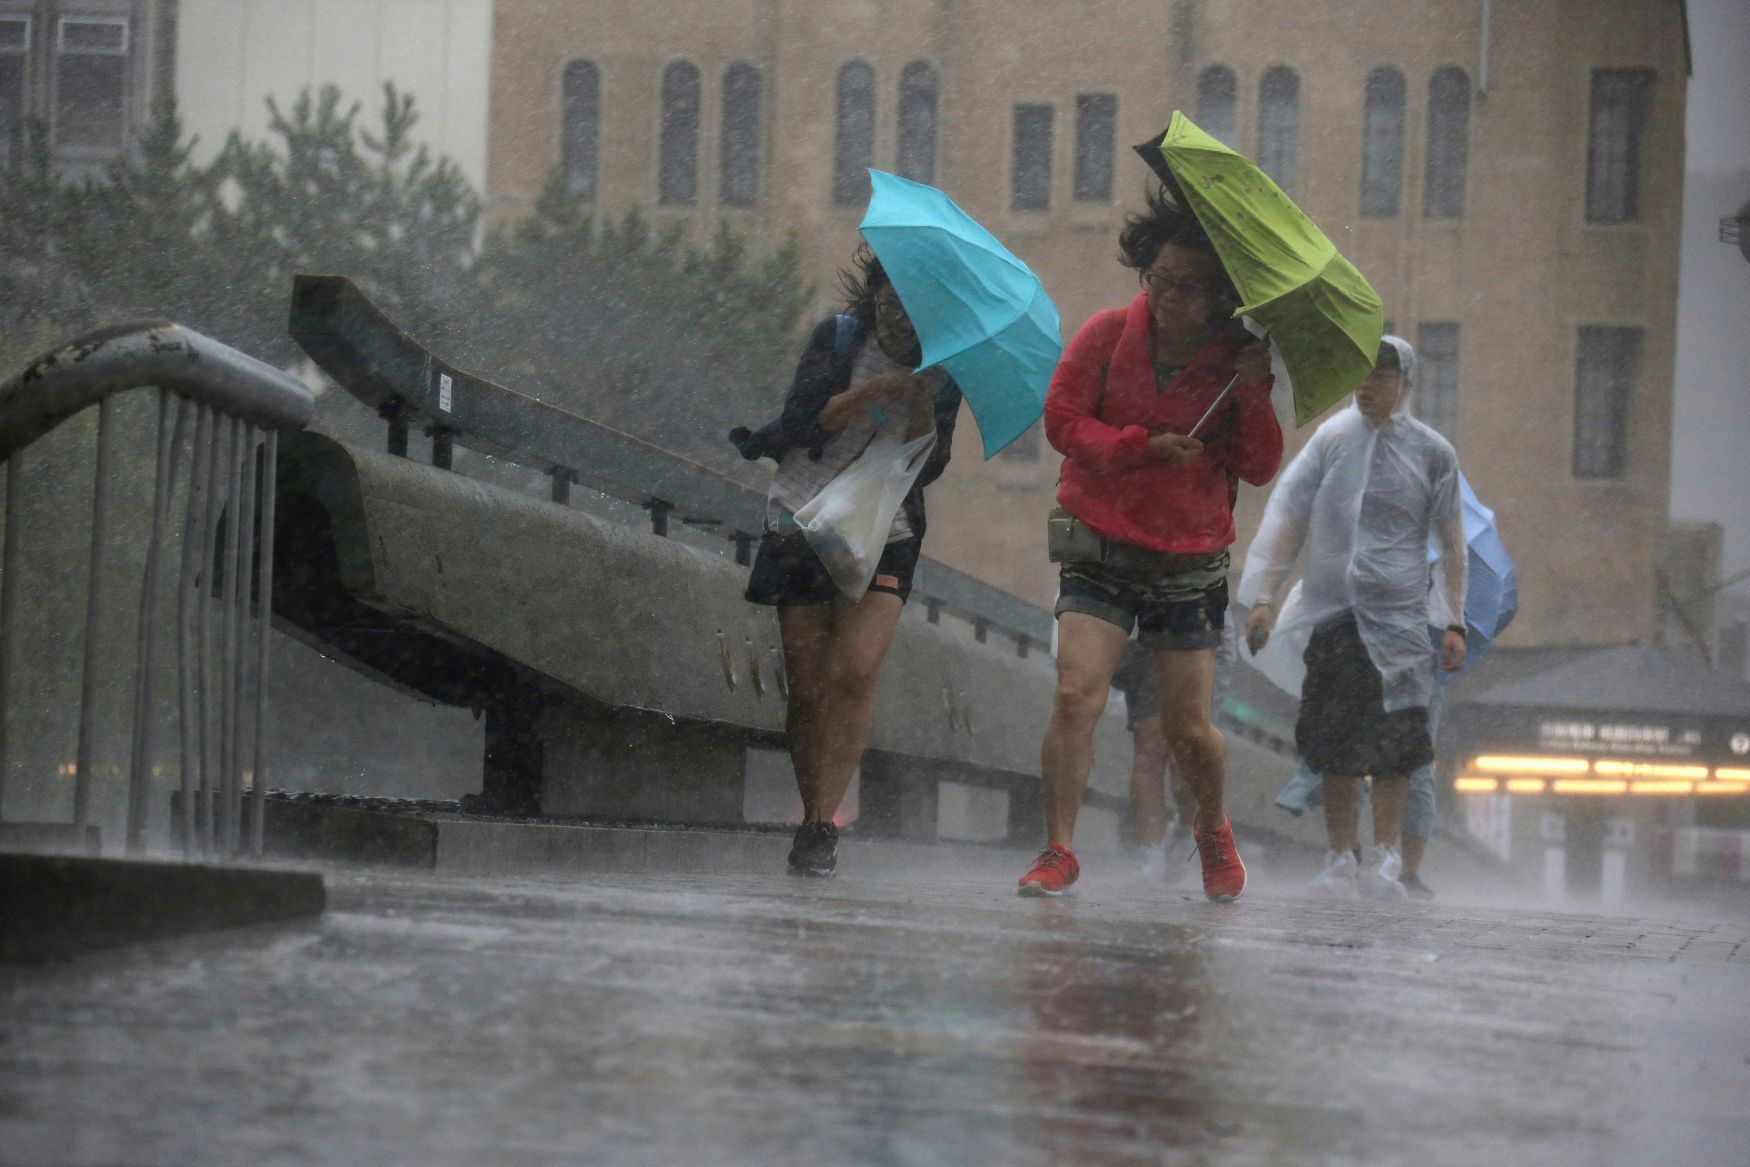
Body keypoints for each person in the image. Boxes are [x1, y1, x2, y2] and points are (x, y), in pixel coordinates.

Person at [1016, 187, 1280, 901]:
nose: (1167, 297)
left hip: (1187, 559)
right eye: (1159, 279)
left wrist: (1253, 394)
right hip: (1101, 544)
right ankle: (1059, 848)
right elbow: (1063, 419)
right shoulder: (1106, 335)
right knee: (1077, 693)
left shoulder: (1236, 365)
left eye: (1189, 288)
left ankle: (1212, 830)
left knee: (1188, 728)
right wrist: (1138, 446)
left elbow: (1258, 465)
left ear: (1220, 296)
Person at [731, 245, 962, 877]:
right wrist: (875, 391)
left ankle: (820, 826)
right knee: (807, 686)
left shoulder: (946, 372)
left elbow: (932, 465)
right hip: (801, 515)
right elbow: (803, 421)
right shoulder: (837, 339)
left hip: (886, 527)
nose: (900, 320)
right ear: (876, 291)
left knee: (854, 672)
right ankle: (811, 810)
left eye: (914, 311)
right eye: (891, 303)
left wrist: (921, 411)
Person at [1237, 336, 1467, 900]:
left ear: (1405, 383)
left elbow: (1452, 543)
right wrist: (1264, 595)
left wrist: (1454, 620)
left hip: (1403, 623)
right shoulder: (1331, 440)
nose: (1368, 386)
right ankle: (1340, 854)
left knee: (1397, 748)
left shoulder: (1433, 452)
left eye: (1382, 377)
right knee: (1334, 744)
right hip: (1335, 618)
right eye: (1361, 376)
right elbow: (1288, 517)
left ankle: (1384, 856)